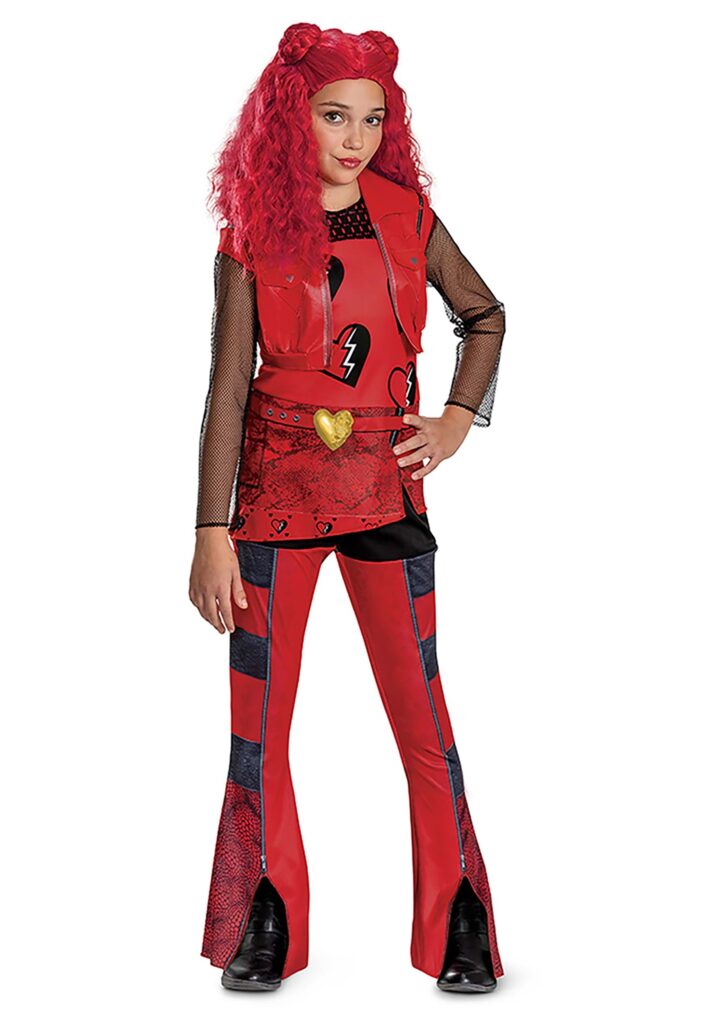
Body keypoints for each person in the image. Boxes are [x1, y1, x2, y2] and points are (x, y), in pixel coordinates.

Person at [189, 22, 507, 994]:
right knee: (259, 725)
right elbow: (227, 389)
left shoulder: (408, 218)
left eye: (372, 119)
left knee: (423, 719)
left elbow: (485, 315)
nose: (355, 138)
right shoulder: (251, 231)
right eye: (335, 116)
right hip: (272, 501)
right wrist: (209, 531)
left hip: (385, 489)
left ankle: (457, 915)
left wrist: (453, 423)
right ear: (293, 119)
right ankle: (265, 914)